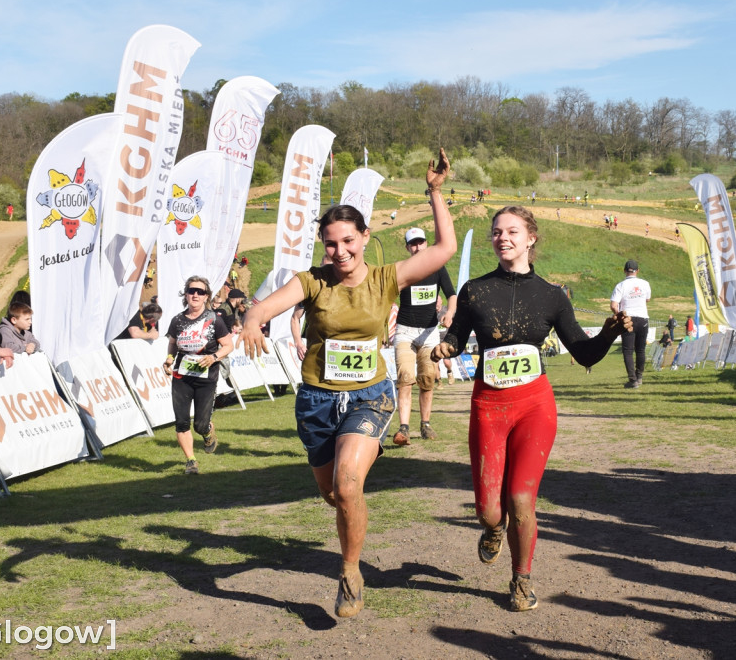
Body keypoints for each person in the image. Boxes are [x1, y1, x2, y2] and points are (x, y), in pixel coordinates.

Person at [243, 148, 457, 618]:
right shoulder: (313, 281)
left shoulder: (386, 278)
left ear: (364, 236)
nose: (339, 251)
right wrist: (251, 320)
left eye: (347, 240)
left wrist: (435, 192)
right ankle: (351, 512)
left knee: (346, 485)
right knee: (334, 495)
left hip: (368, 397)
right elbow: (263, 307)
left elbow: (445, 251)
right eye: (330, 243)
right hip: (318, 400)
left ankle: (350, 571)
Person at [432, 205, 630, 613]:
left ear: (530, 238)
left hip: (534, 406)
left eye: (512, 231)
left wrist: (608, 333)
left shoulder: (552, 295)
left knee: (522, 498)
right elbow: (457, 333)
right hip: (489, 405)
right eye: (497, 232)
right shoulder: (475, 290)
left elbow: (583, 352)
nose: (503, 237)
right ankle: (494, 529)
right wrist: (446, 346)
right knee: (489, 510)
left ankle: (521, 579)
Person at [392, 226, 457, 446]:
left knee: (428, 379)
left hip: (429, 333)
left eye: (420, 242)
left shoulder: (438, 268)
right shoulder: (400, 269)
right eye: (413, 244)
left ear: (426, 243)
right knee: (405, 378)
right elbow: (385, 295)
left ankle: (425, 424)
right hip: (405, 332)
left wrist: (449, 312)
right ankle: (404, 428)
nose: (417, 247)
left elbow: (451, 294)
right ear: (407, 247)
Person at [162, 277, 233, 475]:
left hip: (206, 378)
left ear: (206, 296)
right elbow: (173, 344)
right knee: (182, 421)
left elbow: (229, 345)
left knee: (200, 425)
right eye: (191, 290)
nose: (195, 295)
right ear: (186, 294)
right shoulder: (177, 320)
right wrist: (169, 358)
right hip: (181, 377)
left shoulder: (214, 320)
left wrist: (213, 357)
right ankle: (191, 461)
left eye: (200, 292)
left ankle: (208, 431)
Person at [610, 259, 651, 388]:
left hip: (628, 319)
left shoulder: (620, 285)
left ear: (624, 271)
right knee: (640, 350)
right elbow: (647, 299)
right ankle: (639, 377)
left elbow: (613, 305)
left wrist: (619, 313)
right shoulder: (645, 284)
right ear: (637, 271)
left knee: (628, 351)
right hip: (643, 318)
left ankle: (632, 380)